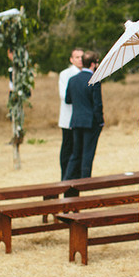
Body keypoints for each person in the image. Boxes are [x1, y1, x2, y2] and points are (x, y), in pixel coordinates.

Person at [64, 51, 104, 180]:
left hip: (76, 121)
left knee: (76, 153)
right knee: (88, 153)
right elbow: (97, 104)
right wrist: (100, 121)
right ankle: (85, 181)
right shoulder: (94, 80)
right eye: (97, 62)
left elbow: (67, 100)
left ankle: (67, 179)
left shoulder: (72, 80)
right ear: (93, 64)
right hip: (90, 122)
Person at [58, 47, 84, 179]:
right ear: (71, 59)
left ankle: (76, 176)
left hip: (81, 119)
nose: (80, 60)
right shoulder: (65, 74)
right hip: (68, 118)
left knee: (78, 149)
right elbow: (64, 95)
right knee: (67, 148)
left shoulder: (88, 73)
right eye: (77, 57)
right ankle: (65, 176)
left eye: (81, 57)